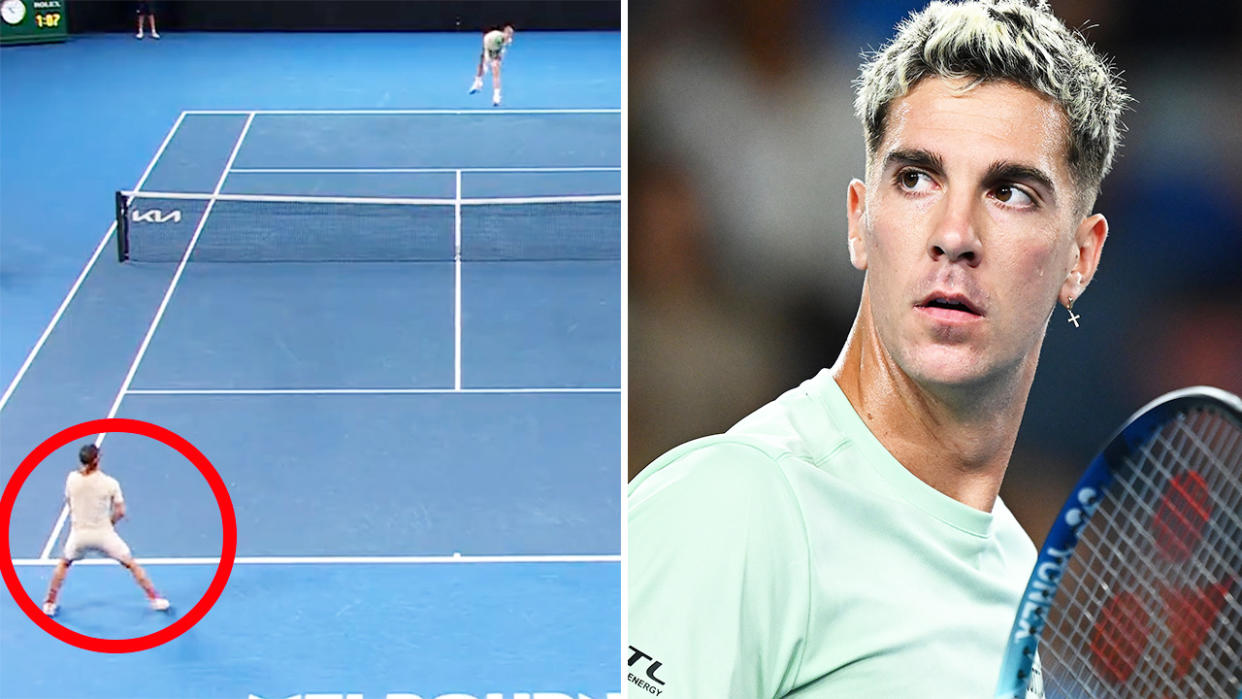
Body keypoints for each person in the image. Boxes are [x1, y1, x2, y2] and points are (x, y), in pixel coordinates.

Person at [627, 1, 1129, 696]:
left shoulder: (1017, 576)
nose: (955, 233)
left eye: (1010, 191)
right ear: (861, 221)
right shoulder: (737, 506)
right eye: (917, 178)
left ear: (1080, 257)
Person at [42, 444, 170, 616]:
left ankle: (49, 603)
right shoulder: (110, 483)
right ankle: (155, 599)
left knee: (64, 563)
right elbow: (120, 511)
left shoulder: (71, 479)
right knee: (131, 565)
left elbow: (70, 501)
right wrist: (109, 523)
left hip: (79, 535)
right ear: (97, 459)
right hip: (104, 535)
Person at [468, 24, 514, 106]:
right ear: (504, 33)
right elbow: (487, 52)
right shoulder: (492, 38)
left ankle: (496, 97)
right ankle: (477, 83)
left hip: (495, 49)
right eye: (508, 34)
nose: (509, 37)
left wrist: (498, 61)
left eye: (511, 35)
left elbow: (501, 52)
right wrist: (486, 64)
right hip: (488, 44)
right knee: (482, 65)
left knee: (496, 72)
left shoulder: (507, 40)